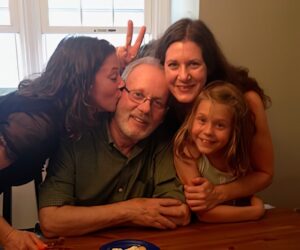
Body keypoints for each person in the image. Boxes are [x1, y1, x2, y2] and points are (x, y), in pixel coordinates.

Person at [0, 21, 146, 250]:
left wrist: (115, 65)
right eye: (114, 77)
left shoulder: (63, 107)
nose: (122, 84)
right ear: (84, 81)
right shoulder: (35, 125)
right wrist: (7, 236)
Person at [38, 57, 190, 238]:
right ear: (119, 92)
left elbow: (177, 211)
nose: (145, 109)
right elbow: (51, 221)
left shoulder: (162, 142)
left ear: (164, 115)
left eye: (157, 102)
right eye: (138, 95)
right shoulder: (76, 135)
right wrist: (131, 211)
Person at [151, 18, 274, 212]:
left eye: (193, 64)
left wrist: (219, 194)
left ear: (209, 65)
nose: (183, 76)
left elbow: (265, 172)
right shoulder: (157, 103)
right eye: (173, 65)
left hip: (234, 209)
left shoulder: (246, 102)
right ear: (162, 67)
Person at [174, 81, 265, 223]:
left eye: (220, 125)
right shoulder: (186, 152)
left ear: (234, 130)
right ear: (192, 119)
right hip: (200, 233)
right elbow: (204, 212)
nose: (208, 131)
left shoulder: (239, 153)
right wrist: (254, 212)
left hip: (240, 229)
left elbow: (250, 192)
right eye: (202, 120)